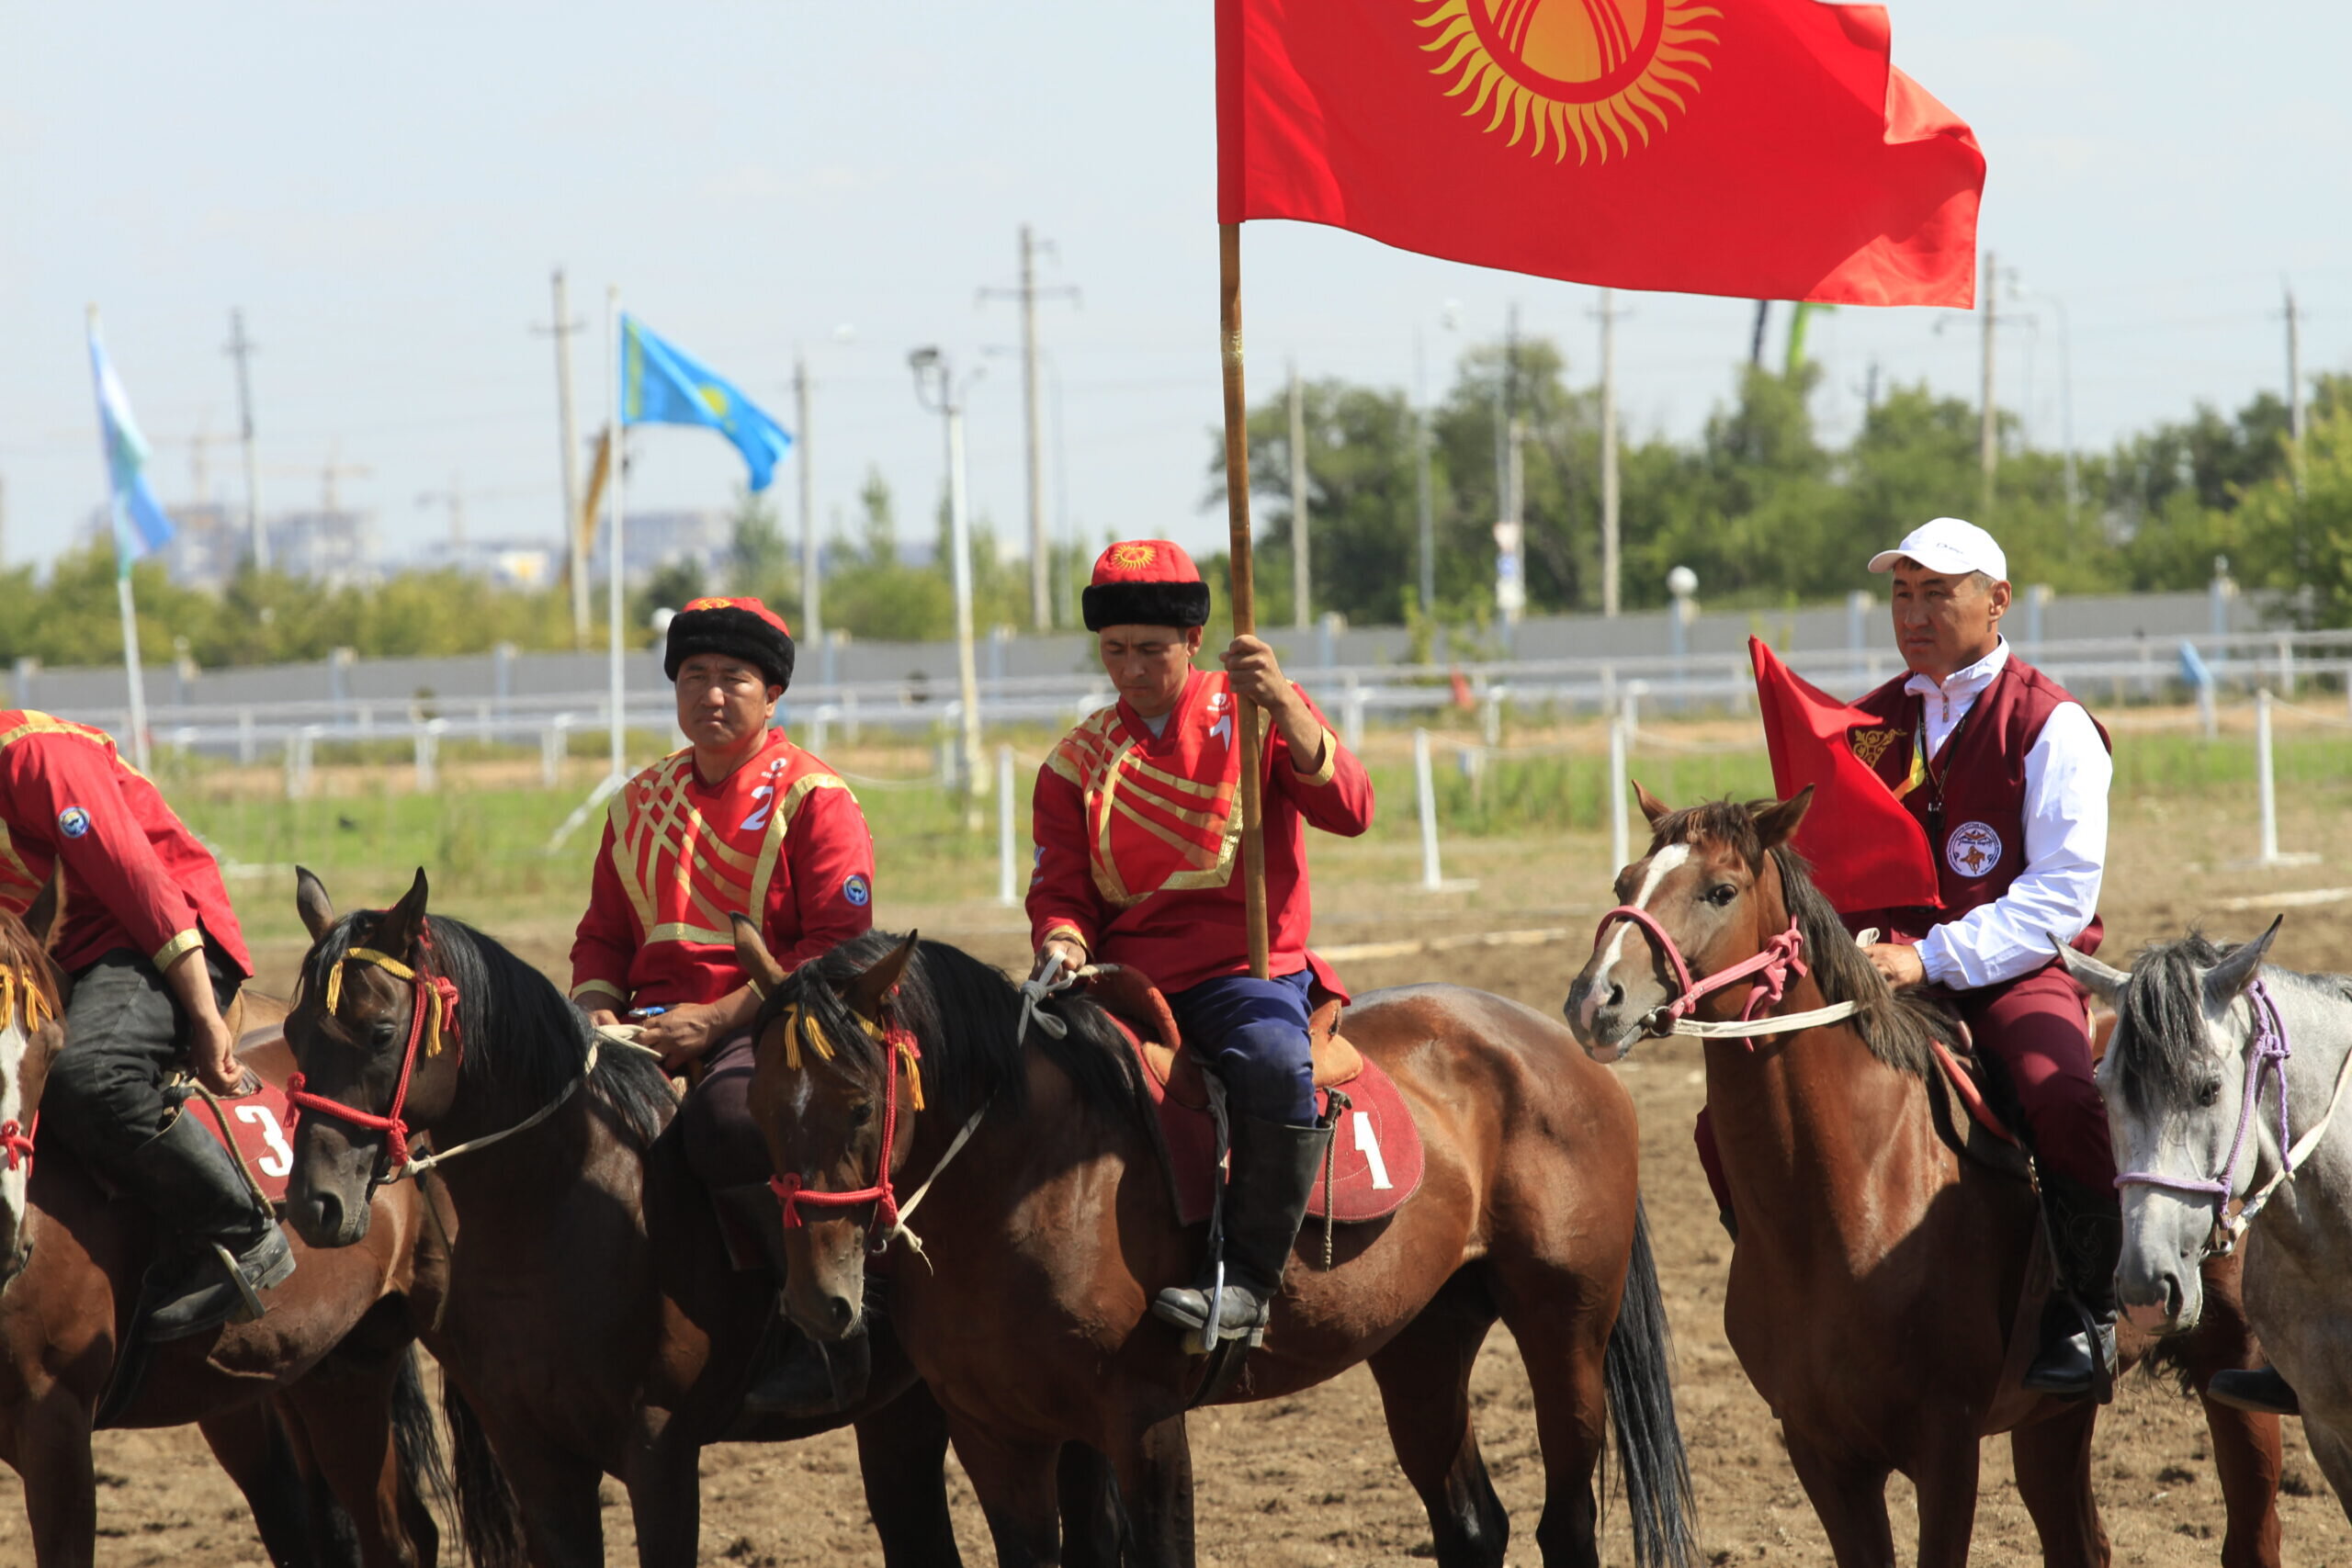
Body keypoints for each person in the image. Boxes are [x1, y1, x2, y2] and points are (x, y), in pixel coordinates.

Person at [1027, 540, 1374, 1346]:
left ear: (1193, 640)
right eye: (1114, 650)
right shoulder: (1074, 762)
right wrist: (1065, 940)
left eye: (1152, 649)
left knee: (1272, 1058)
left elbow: (1353, 809)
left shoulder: (1255, 711)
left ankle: (1249, 1278)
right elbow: (1060, 888)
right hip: (1118, 981)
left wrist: (1287, 704)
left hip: (1242, 973)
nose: (1132, 668)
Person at [569, 596, 877, 1415]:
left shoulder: (815, 797)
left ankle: (808, 1328)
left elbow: (837, 947)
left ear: (771, 693)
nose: (710, 695)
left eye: (732, 679)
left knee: (731, 1122)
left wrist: (712, 1021)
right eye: (693, 677)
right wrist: (595, 1007)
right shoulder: (636, 801)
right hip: (642, 1028)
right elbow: (601, 935)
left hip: (771, 1023)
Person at [1838, 517, 2120, 1397]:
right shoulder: (1869, 725)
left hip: (2013, 969)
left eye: (1937, 593)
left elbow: (2060, 899)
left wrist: (1932, 959)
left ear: (1997, 602)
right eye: (1901, 593)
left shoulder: (2053, 723)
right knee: (1733, 1109)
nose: (1913, 614)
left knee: (2062, 1095)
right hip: (1876, 968)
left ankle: (2087, 1308)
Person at [0, 710, 285, 1338]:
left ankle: (242, 1228)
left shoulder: (38, 758)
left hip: (163, 938)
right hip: (61, 963)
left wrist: (206, 1018)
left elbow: (145, 889)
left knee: (90, 1075)